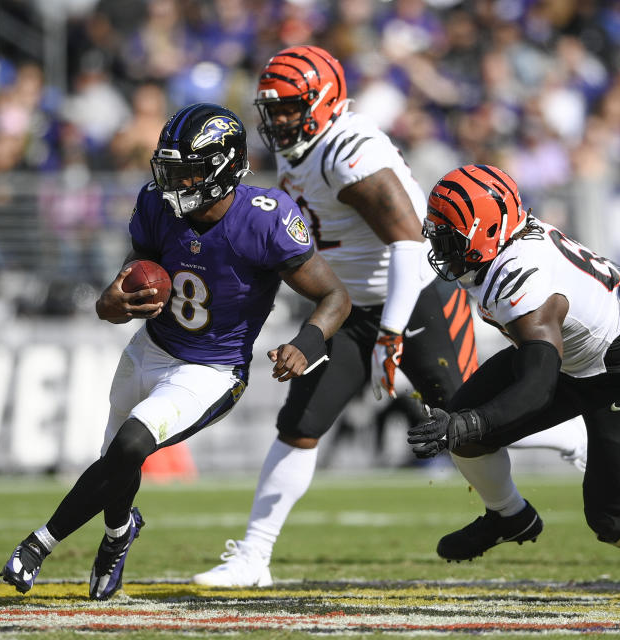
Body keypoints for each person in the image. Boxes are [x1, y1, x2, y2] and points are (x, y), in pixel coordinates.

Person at [192, 45, 587, 588]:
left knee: (466, 418)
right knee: (300, 425)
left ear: (325, 101)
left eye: (291, 106)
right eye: (273, 108)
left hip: (417, 295)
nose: (280, 119)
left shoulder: (348, 151)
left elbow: (409, 245)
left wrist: (391, 334)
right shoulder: (299, 146)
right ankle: (253, 556)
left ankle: (567, 448)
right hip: (347, 305)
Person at [0, 103, 350, 600]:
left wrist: (307, 343)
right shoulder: (157, 204)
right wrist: (114, 299)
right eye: (170, 170)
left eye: (186, 172)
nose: (174, 184)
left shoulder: (265, 219)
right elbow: (135, 269)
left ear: (222, 170)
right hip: (150, 348)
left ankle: (38, 544)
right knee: (116, 469)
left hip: (210, 368)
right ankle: (120, 533)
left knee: (129, 449)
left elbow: (335, 296)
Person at [407, 163, 620, 600]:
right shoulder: (509, 241)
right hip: (574, 357)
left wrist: (465, 426)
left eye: (450, 238)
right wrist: (464, 426)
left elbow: (536, 389)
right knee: (463, 421)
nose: (441, 249)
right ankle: (508, 516)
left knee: (614, 523)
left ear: (486, 232)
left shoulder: (523, 278)